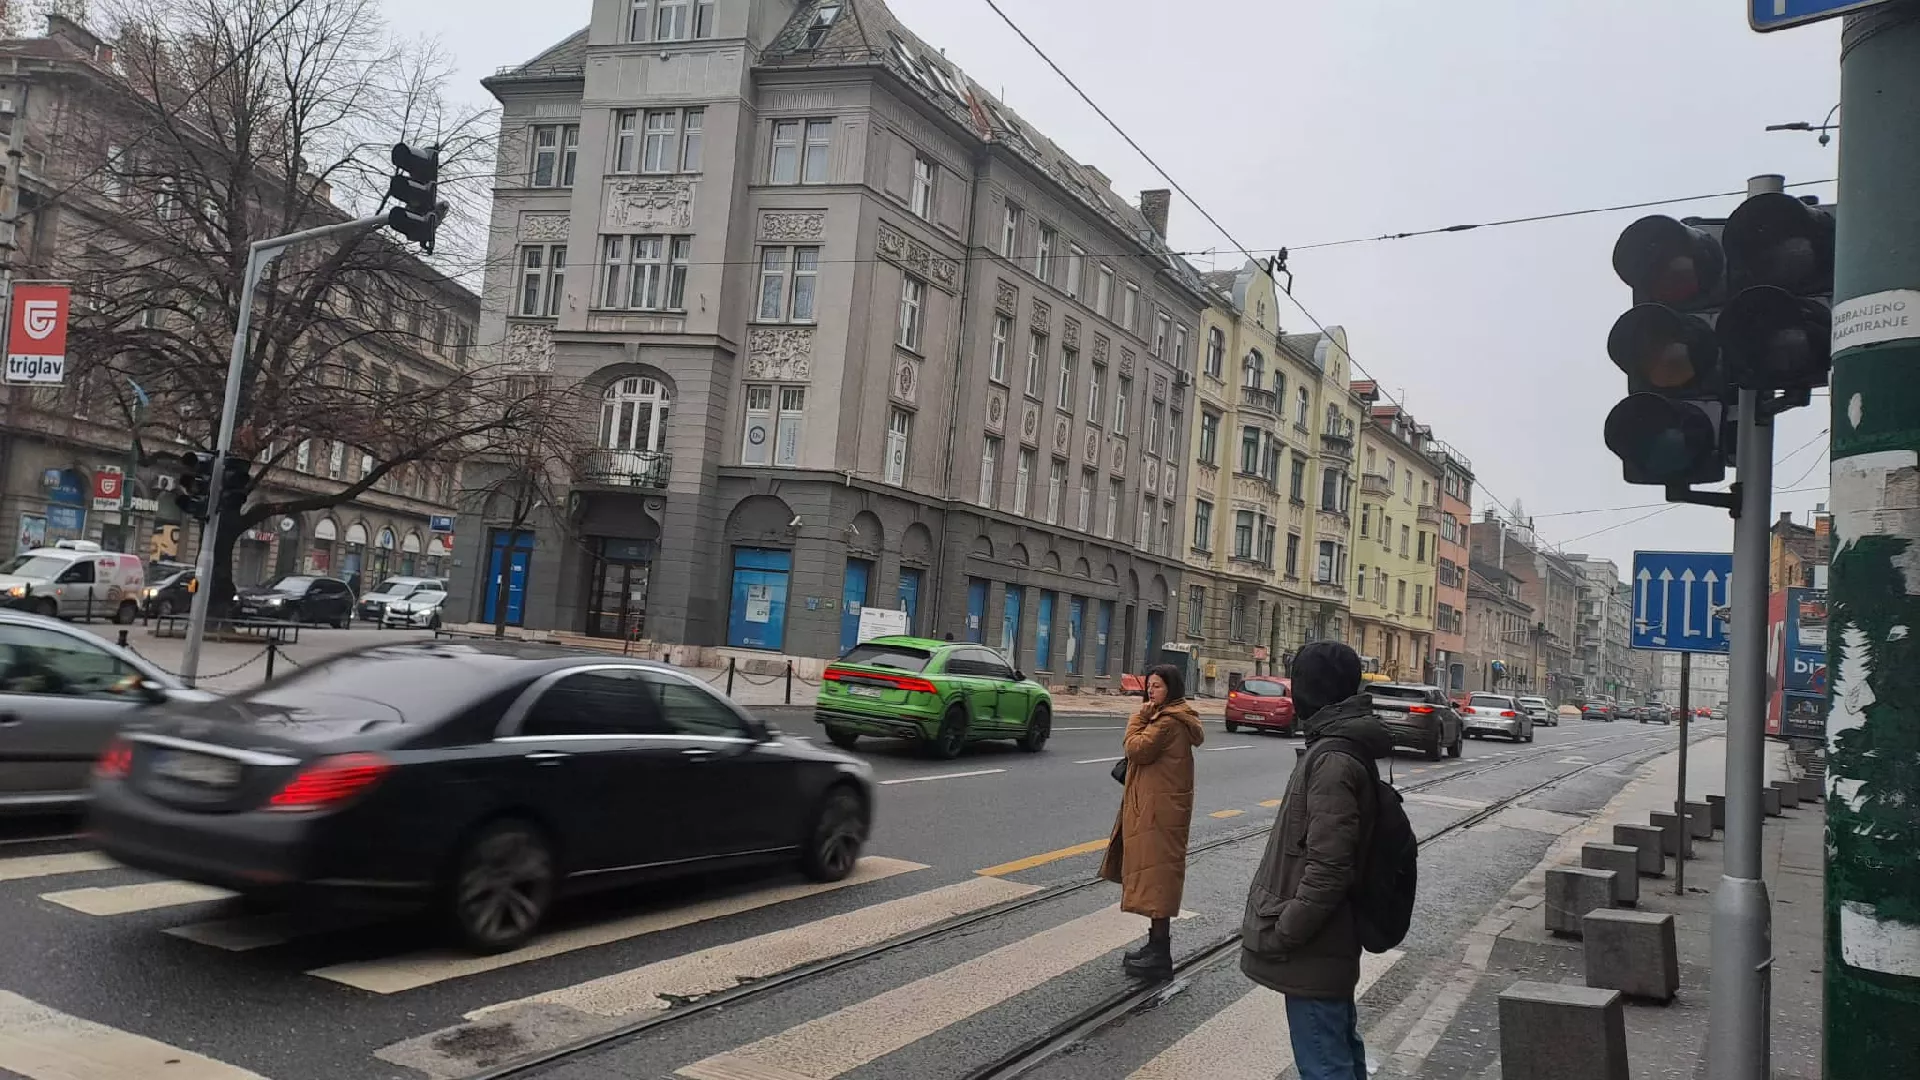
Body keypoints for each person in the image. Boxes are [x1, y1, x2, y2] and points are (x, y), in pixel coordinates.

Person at [1240, 641, 1392, 1080]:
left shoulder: (1332, 760)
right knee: (1337, 1052)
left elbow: (1329, 869)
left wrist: (1287, 930)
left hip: (1316, 944)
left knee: (1325, 1065)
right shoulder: (1335, 747)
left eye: (1299, 682)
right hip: (1327, 942)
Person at [1100, 663, 1204, 979]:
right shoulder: (1169, 717)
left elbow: (1137, 749)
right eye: (1149, 686)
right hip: (1160, 810)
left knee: (1158, 879)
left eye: (1157, 686)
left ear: (1171, 689)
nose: (1151, 692)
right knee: (1156, 877)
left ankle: (1160, 954)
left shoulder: (1168, 722)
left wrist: (1138, 718)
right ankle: (1156, 943)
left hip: (1160, 814)